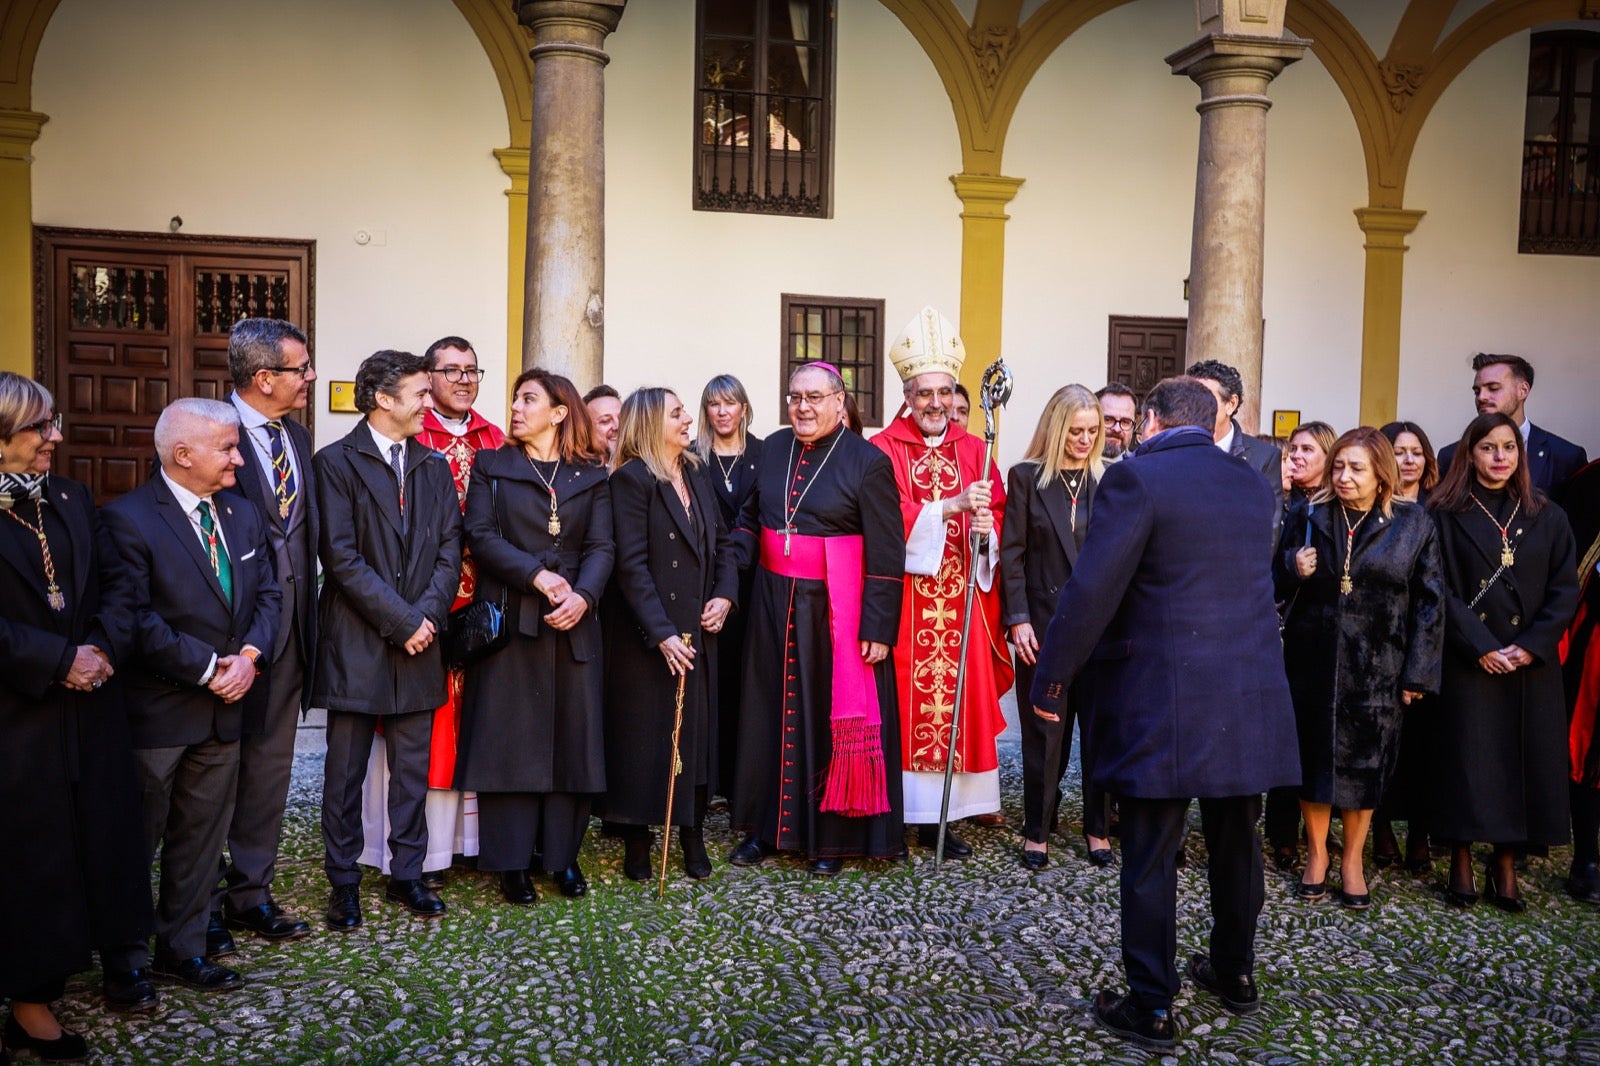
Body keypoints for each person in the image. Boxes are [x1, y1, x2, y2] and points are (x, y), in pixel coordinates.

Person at [1030, 377, 1298, 1053]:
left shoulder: (1137, 481)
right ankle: (1235, 972)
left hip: (1164, 698)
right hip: (1246, 694)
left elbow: (1092, 588)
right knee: (1237, 844)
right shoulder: (1252, 485)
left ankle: (1151, 1005)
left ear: (1150, 421)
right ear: (1211, 424)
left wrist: (1052, 677)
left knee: (1149, 853)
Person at [100, 398, 281, 992]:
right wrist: (209, 669)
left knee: (202, 840)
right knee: (134, 842)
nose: (238, 458)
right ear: (183, 455)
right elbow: (134, 620)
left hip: (228, 708)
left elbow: (269, 597)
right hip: (158, 713)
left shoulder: (243, 513)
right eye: (227, 448)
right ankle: (123, 958)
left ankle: (182, 948)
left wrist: (249, 659)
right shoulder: (126, 520)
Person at [0, 375, 154, 1060]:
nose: (56, 438)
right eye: (40, 428)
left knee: (68, 861)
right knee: (17, 861)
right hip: (13, 716)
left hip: (86, 713)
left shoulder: (67, 496)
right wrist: (54, 657)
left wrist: (99, 649)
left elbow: (122, 581)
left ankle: (33, 1003)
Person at [728, 361, 905, 877]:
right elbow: (750, 518)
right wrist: (733, 565)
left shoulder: (867, 462)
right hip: (771, 600)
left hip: (833, 610)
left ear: (838, 401)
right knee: (766, 712)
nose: (802, 407)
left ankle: (829, 838)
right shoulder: (774, 447)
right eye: (794, 397)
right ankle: (765, 829)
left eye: (813, 397)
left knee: (824, 719)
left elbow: (887, 552)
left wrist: (877, 627)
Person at [315, 351, 462, 929]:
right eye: (421, 393)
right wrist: (403, 622)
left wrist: (424, 618)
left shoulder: (432, 465)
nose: (431, 402)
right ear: (383, 399)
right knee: (345, 770)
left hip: (422, 639)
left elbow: (450, 549)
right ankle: (344, 880)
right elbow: (342, 559)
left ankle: (408, 873)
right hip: (358, 640)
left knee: (411, 770)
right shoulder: (336, 463)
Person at [456, 369, 612, 903]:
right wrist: (537, 575)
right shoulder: (493, 465)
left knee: (574, 739)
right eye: (517, 398)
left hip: (573, 622)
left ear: (560, 412)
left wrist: (583, 597)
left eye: (529, 399)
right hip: (512, 618)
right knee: (509, 743)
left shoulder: (592, 474)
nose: (516, 408)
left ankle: (562, 858)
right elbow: (478, 533)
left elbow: (603, 547)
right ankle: (511, 862)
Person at [1274, 427, 1444, 909]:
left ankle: (1351, 859)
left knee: (1364, 768)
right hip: (1312, 659)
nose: (1344, 477)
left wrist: (1418, 673)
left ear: (1381, 475)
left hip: (1378, 665)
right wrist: (1293, 564)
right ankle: (1315, 855)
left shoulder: (1413, 525)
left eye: (1357, 469)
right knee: (1313, 763)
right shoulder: (1310, 515)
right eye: (1339, 467)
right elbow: (1273, 577)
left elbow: (1430, 604)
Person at [359, 336, 503, 890]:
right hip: (416, 600)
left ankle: (468, 841)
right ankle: (414, 845)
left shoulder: (496, 438)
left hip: (477, 597)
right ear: (427, 378)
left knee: (476, 719)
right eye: (450, 371)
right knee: (420, 725)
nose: (464, 380)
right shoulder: (414, 436)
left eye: (472, 370)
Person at [871, 308, 1011, 855]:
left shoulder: (978, 450)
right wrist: (948, 505)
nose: (934, 403)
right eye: (923, 393)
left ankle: (940, 821)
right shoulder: (881, 449)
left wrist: (985, 531)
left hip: (962, 606)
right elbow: (882, 519)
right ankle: (898, 816)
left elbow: (996, 513)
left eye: (943, 392)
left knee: (954, 706)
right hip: (906, 604)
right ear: (907, 394)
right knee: (903, 708)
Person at [1427, 412, 1579, 910]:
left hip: (1528, 664)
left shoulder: (1547, 514)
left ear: (1520, 454)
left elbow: (1564, 590)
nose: (1499, 458)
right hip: (1472, 657)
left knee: (1521, 761)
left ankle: (1507, 860)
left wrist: (1530, 645)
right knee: (1469, 758)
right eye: (1488, 448)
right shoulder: (1445, 513)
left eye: (1508, 448)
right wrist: (1481, 645)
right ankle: (1462, 857)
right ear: (1469, 453)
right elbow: (1438, 588)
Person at [602, 387, 737, 881]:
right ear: (650, 424)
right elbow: (630, 566)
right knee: (643, 735)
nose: (687, 420)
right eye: (676, 413)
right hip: (648, 633)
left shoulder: (696, 471)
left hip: (697, 631)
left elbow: (722, 542)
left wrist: (724, 594)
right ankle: (638, 837)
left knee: (693, 736)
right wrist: (659, 633)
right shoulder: (632, 481)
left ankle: (691, 833)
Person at [212, 318, 317, 955]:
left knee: (272, 771)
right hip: (231, 637)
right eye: (301, 369)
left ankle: (250, 891)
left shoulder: (298, 439)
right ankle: (196, 900)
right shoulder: (206, 432)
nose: (309, 378)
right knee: (214, 775)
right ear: (263, 378)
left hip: (293, 633)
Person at [1001, 384, 1112, 871]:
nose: (1084, 440)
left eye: (1092, 431)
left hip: (1101, 628)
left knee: (1100, 733)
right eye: (1075, 431)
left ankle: (1097, 828)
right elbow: (1013, 555)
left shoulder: (1112, 480)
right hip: (1043, 628)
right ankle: (1038, 831)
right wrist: (1018, 619)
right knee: (1044, 733)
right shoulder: (1026, 478)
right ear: (1055, 428)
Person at [1372, 419, 1443, 870]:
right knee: (1382, 746)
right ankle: (1379, 828)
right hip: (1382, 641)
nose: (1409, 459)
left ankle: (1420, 832)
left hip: (1430, 638)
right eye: (1400, 451)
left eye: (1417, 451)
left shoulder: (1442, 509)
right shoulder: (1373, 509)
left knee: (1425, 746)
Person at [1267, 419, 1336, 871]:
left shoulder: (1342, 509)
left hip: (1331, 639)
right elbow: (1270, 570)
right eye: (1293, 449)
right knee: (1285, 737)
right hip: (1292, 638)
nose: (1295, 456)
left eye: (1307, 450)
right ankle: (1281, 833)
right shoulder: (1288, 507)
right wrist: (1292, 565)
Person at [696, 374, 763, 797]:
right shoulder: (692, 457)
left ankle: (744, 777)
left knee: (749, 678)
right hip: (710, 581)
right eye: (714, 404)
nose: (722, 412)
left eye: (730, 403)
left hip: (755, 581)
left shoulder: (764, 453)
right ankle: (712, 777)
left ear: (743, 407)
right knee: (714, 680)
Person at [1436, 354, 1587, 498]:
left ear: (1523, 391)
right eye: (1477, 391)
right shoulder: (1449, 457)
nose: (1481, 397)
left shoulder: (1566, 456)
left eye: (1493, 388)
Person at [1561, 458, 1600, 903]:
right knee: (1590, 748)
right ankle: (1586, 856)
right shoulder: (1590, 482)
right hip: (1598, 633)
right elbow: (1574, 567)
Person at [1185, 359, 1284, 512]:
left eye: (1204, 398)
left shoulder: (1264, 458)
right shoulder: (1175, 450)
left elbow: (1270, 526)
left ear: (1231, 404)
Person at [1380, 420, 1440, 505]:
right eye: (1398, 453)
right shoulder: (1367, 504)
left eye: (1417, 453)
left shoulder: (1439, 505)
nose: (1410, 460)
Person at [1095, 383, 1138, 462]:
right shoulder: (1069, 469)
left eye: (1125, 421)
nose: (1117, 429)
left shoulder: (1141, 471)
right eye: (1108, 419)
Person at [584, 383, 622, 462]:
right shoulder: (575, 472)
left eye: (622, 418)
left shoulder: (644, 469)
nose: (617, 426)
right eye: (606, 421)